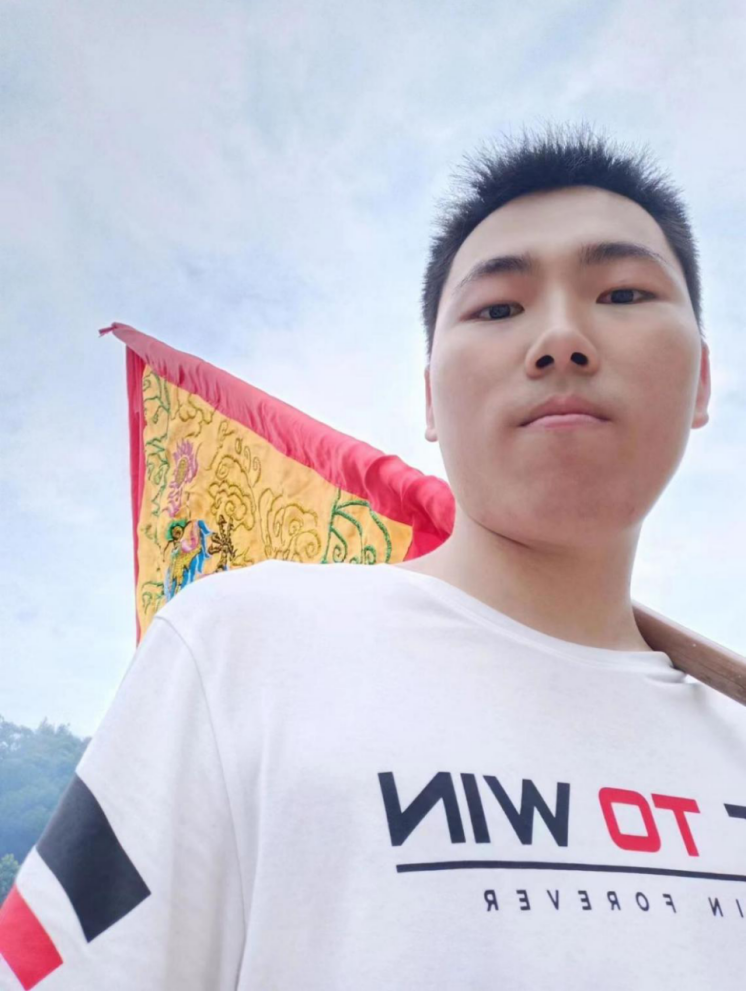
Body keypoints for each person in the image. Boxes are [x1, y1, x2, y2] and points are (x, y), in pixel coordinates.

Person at [3, 123, 741, 991]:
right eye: (498, 308)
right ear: (429, 399)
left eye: (621, 293)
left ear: (701, 380)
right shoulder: (242, 651)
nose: (560, 339)